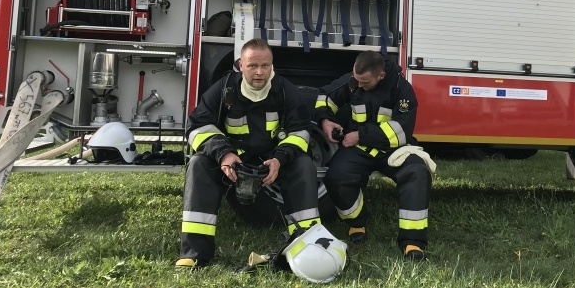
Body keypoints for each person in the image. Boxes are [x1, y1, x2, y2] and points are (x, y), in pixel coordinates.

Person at [176, 38, 320, 269]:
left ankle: (308, 244)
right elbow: (197, 127)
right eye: (253, 66)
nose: (260, 72)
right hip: (233, 160)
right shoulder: (223, 90)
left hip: (272, 160)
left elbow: (301, 131)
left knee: (303, 165)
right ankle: (195, 254)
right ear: (241, 65)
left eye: (265, 66)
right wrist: (223, 155)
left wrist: (280, 159)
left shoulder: (285, 90)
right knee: (198, 164)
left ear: (272, 65)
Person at [315, 50, 432, 261]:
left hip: (393, 150)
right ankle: (356, 223)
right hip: (359, 149)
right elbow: (324, 96)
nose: (358, 86)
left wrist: (360, 135)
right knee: (336, 177)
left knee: (417, 172)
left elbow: (400, 132)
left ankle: (413, 241)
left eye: (364, 82)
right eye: (356, 80)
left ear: (381, 76)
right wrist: (325, 119)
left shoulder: (402, 90)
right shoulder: (354, 80)